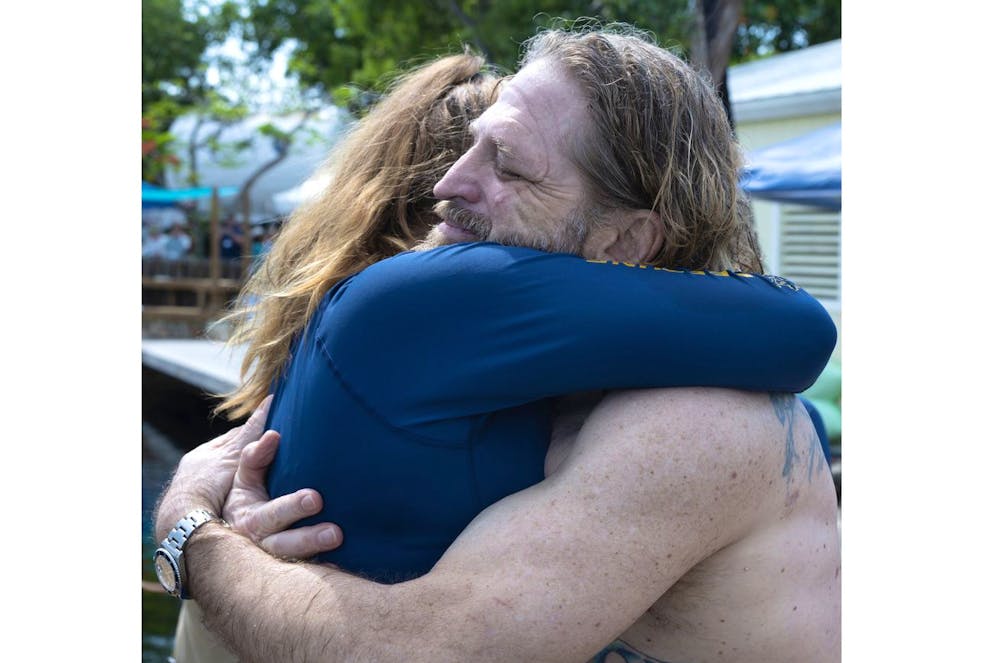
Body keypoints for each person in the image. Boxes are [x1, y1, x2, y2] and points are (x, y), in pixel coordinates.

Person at [157, 26, 839, 663]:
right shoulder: (512, 378)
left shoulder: (693, 425)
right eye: (472, 145)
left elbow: (414, 648)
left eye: (509, 167)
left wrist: (190, 532)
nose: (446, 183)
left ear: (627, 241)